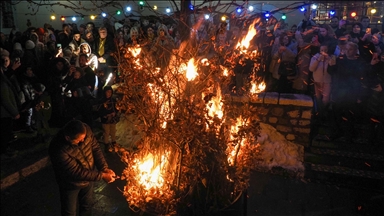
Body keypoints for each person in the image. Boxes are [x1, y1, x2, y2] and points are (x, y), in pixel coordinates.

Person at [49, 119, 117, 216]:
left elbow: (95, 149)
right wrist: (101, 175)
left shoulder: (86, 130)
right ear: (68, 138)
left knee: (87, 206)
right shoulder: (58, 149)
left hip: (88, 179)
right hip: (70, 184)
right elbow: (76, 172)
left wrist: (104, 168)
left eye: (84, 138)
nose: (83, 141)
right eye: (79, 140)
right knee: (69, 212)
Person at [97, 86, 119, 151]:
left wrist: (114, 113)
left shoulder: (113, 100)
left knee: (113, 131)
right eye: (107, 92)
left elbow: (116, 108)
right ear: (105, 92)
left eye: (110, 92)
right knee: (106, 132)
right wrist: (105, 115)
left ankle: (113, 143)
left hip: (112, 119)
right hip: (105, 120)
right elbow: (99, 111)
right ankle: (106, 144)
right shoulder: (101, 101)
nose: (109, 93)